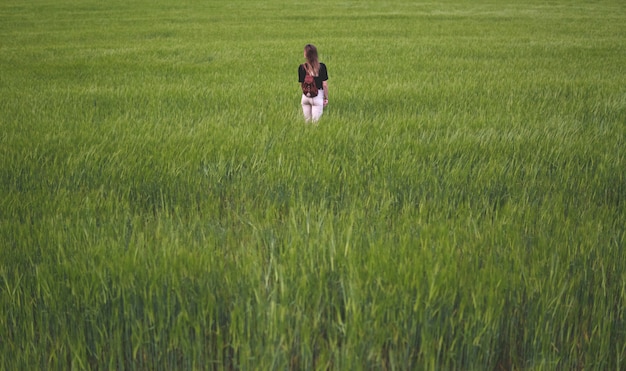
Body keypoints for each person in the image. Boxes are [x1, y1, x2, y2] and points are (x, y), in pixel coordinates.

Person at [298, 44, 329, 123]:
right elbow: (324, 85)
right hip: (317, 96)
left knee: (307, 122)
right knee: (316, 124)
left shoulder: (301, 67)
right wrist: (326, 98)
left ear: (305, 55)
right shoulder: (322, 67)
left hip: (305, 97)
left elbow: (301, 84)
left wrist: (307, 92)